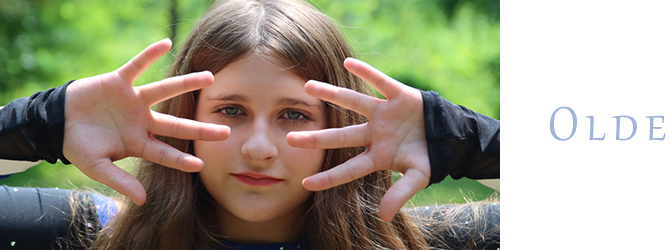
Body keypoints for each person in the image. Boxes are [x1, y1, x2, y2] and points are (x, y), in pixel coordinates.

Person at [0, 0, 499, 249]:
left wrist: (458, 138)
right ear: (185, 115)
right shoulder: (92, 233)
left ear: (343, 127)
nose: (259, 148)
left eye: (294, 115)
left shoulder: (423, 242)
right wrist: (42, 124)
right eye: (231, 110)